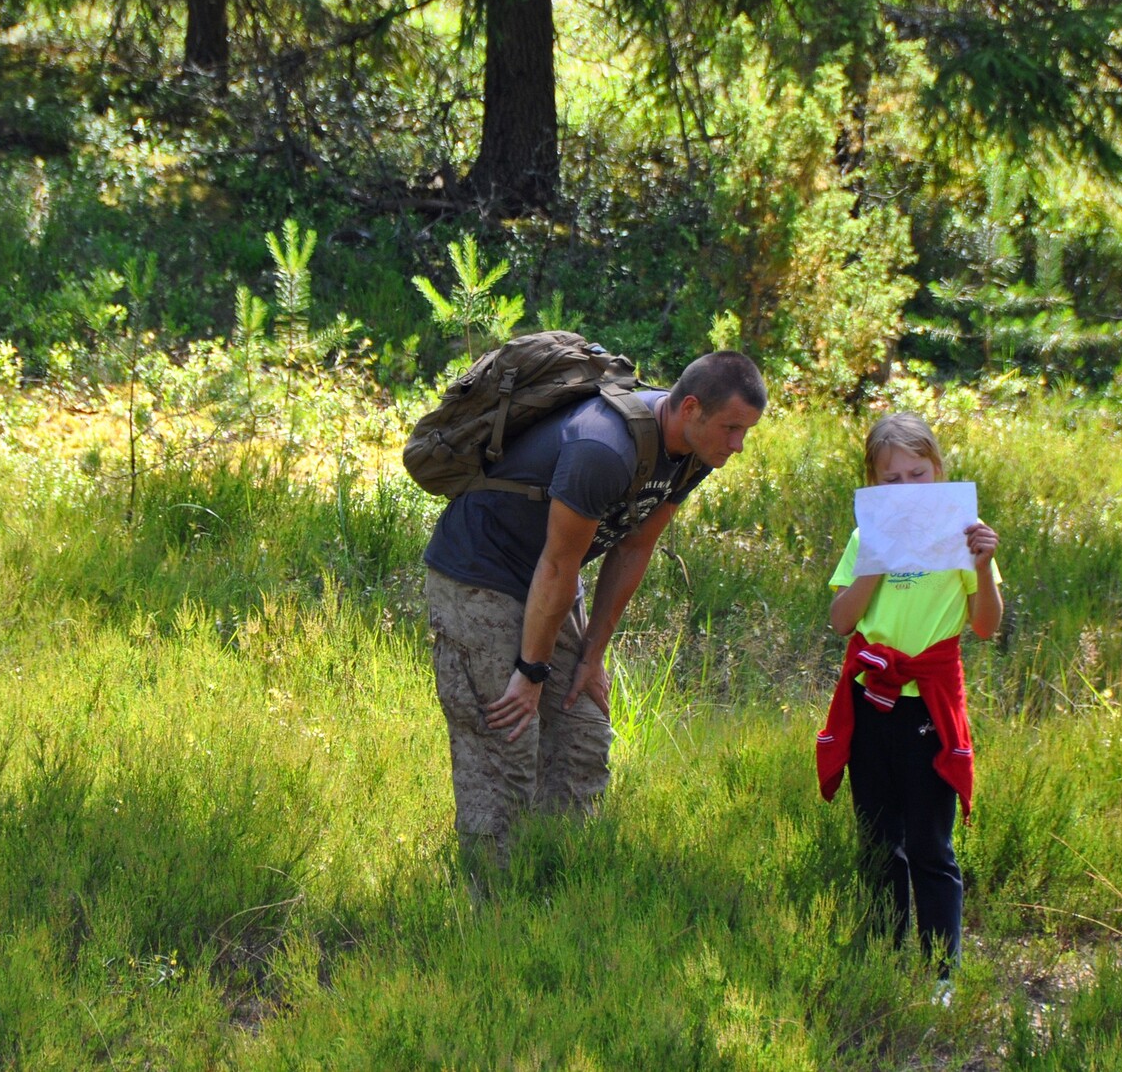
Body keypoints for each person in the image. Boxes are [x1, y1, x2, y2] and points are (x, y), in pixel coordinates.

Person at [422, 351, 767, 859]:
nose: (737, 445)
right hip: (480, 571)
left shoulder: (696, 452)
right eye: (731, 428)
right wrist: (531, 671)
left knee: (582, 732)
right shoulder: (604, 447)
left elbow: (634, 548)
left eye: (746, 432)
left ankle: (562, 873)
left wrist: (592, 656)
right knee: (509, 737)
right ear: (691, 408)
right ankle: (490, 889)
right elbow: (558, 565)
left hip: (549, 579)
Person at [815, 411, 1001, 979]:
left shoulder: (964, 536)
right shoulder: (865, 538)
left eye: (917, 474)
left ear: (938, 471)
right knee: (878, 840)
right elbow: (841, 621)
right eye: (890, 479)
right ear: (873, 482)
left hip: (929, 707)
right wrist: (876, 560)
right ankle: (883, 961)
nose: (906, 488)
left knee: (929, 844)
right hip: (872, 703)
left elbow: (986, 626)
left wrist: (984, 567)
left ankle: (942, 972)